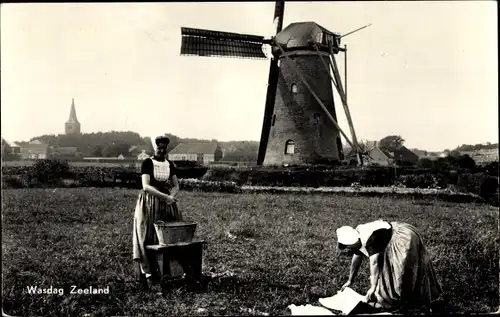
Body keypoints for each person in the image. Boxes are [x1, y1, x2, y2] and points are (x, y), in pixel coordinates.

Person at [336, 219, 443, 313]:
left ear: (352, 243)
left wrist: (373, 287)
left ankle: (405, 300)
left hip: (402, 239)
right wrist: (350, 280)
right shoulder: (357, 239)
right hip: (390, 236)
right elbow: (356, 257)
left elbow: (374, 263)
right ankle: (402, 298)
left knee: (400, 271)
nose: (349, 249)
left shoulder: (369, 239)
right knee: (389, 274)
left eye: (349, 247)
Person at [132, 136, 183, 289]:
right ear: (154, 147)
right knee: (147, 235)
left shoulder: (169, 164)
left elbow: (176, 185)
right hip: (149, 202)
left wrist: (171, 198)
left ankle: (166, 272)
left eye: (164, 148)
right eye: (159, 148)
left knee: (167, 236)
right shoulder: (148, 163)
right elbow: (146, 186)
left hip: (166, 203)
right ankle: (148, 274)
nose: (161, 150)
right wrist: (164, 197)